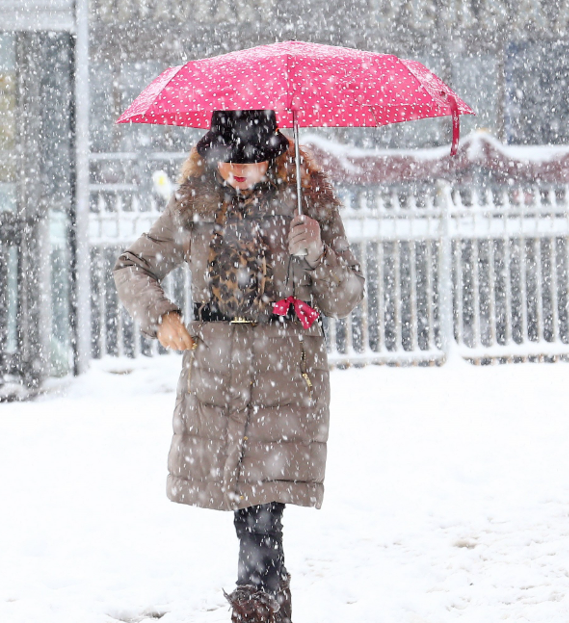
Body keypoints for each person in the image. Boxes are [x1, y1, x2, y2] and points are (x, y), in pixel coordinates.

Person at [113, 109, 364, 623]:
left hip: (285, 376)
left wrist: (316, 253)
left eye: (249, 161)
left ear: (273, 153)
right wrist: (161, 316)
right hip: (218, 377)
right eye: (227, 162)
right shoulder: (196, 204)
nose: (237, 172)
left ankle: (256, 604)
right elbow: (133, 266)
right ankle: (268, 602)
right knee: (250, 507)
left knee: (261, 508)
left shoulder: (305, 199)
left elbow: (346, 297)